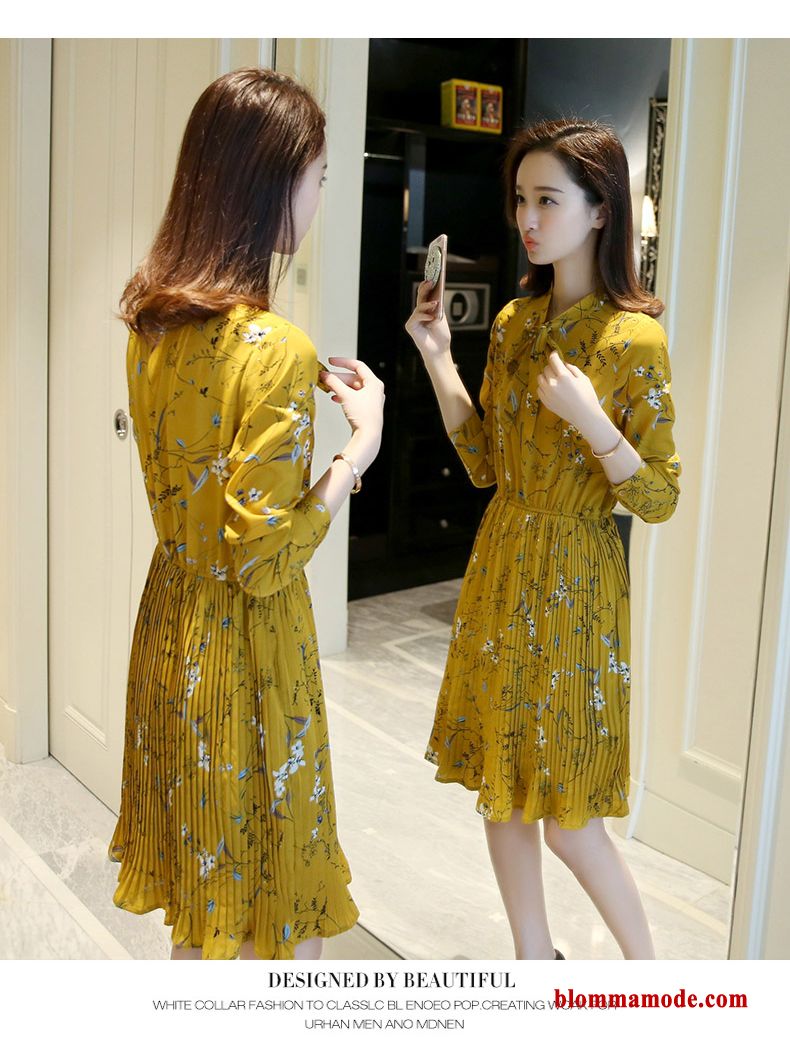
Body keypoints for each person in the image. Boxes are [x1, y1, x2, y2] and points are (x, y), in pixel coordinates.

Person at [108, 67, 384, 960]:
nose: (319, 197)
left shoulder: (153, 326)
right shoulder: (274, 349)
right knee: (282, 914)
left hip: (170, 627)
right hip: (246, 650)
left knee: (205, 900)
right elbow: (263, 561)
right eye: (318, 176)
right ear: (274, 183)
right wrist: (357, 451)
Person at [405, 118, 681, 960]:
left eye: (549, 199)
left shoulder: (634, 338)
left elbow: (660, 497)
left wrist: (595, 421)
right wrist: (439, 359)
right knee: (501, 789)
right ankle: (535, 965)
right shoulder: (516, 323)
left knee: (569, 817)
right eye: (521, 198)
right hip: (502, 561)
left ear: (600, 210)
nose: (528, 218)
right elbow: (485, 463)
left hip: (577, 579)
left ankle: (652, 979)